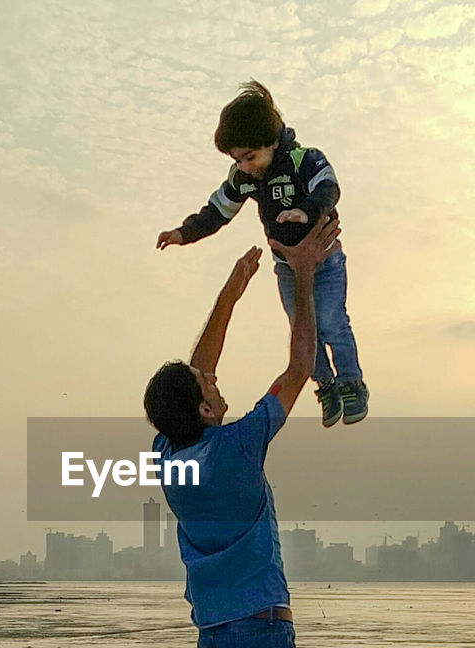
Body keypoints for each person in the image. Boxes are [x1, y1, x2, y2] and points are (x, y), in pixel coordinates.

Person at [143, 211, 341, 648]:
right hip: (261, 631)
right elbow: (298, 368)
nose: (213, 381)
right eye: (207, 385)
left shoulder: (169, 455)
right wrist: (304, 273)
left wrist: (232, 290)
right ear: (201, 406)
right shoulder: (238, 445)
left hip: (214, 639)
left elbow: (196, 366)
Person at [156, 80, 368, 428]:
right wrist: (184, 233)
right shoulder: (244, 178)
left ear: (271, 141)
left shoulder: (304, 160)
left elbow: (329, 187)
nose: (244, 166)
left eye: (249, 157)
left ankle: (350, 381)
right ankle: (325, 384)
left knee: (330, 321)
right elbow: (217, 211)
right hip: (287, 266)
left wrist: (306, 211)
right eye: (236, 159)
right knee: (302, 327)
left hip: (325, 260)